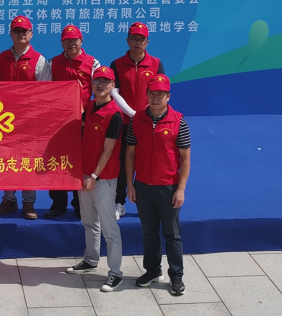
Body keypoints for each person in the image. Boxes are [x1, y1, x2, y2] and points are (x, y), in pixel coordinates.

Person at [124, 74, 191, 297]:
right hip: (143, 186)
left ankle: (176, 276)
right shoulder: (137, 120)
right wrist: (130, 184)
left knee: (172, 234)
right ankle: (152, 271)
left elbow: (185, 158)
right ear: (146, 95)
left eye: (160, 94)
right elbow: (130, 153)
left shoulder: (178, 121)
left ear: (168, 96)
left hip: (168, 187)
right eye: (152, 93)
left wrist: (180, 189)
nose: (155, 98)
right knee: (149, 232)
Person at [65, 66, 125, 292]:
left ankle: (116, 273)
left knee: (109, 228)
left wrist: (93, 176)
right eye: (96, 80)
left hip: (102, 179)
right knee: (89, 222)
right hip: (84, 174)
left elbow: (108, 151)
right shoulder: (90, 106)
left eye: (105, 81)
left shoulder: (115, 115)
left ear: (112, 86)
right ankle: (91, 260)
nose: (100, 85)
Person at [0, 15, 52, 220]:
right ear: (10, 34)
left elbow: (45, 92)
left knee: (28, 161)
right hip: (4, 120)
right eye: (16, 31)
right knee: (6, 159)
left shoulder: (39, 60)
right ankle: (8, 199)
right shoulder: (0, 59)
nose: (20, 34)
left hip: (29, 121)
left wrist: (37, 118)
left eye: (24, 31)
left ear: (31, 34)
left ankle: (28, 202)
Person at [108, 22, 165, 221]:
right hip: (124, 122)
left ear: (147, 42)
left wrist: (146, 115)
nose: (137, 42)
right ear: (127, 40)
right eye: (134, 38)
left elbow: (160, 93)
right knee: (123, 163)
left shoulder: (156, 64)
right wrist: (133, 114)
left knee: (147, 163)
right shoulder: (117, 64)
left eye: (141, 39)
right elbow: (114, 93)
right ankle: (119, 202)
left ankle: (147, 203)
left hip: (149, 123)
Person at [47, 24, 100, 220]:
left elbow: (100, 91)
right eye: (66, 40)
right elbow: (44, 90)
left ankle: (80, 204)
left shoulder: (92, 63)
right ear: (61, 43)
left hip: (82, 121)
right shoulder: (52, 63)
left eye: (74, 40)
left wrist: (88, 116)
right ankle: (58, 203)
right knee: (56, 162)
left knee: (80, 163)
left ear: (81, 41)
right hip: (58, 122)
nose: (71, 44)